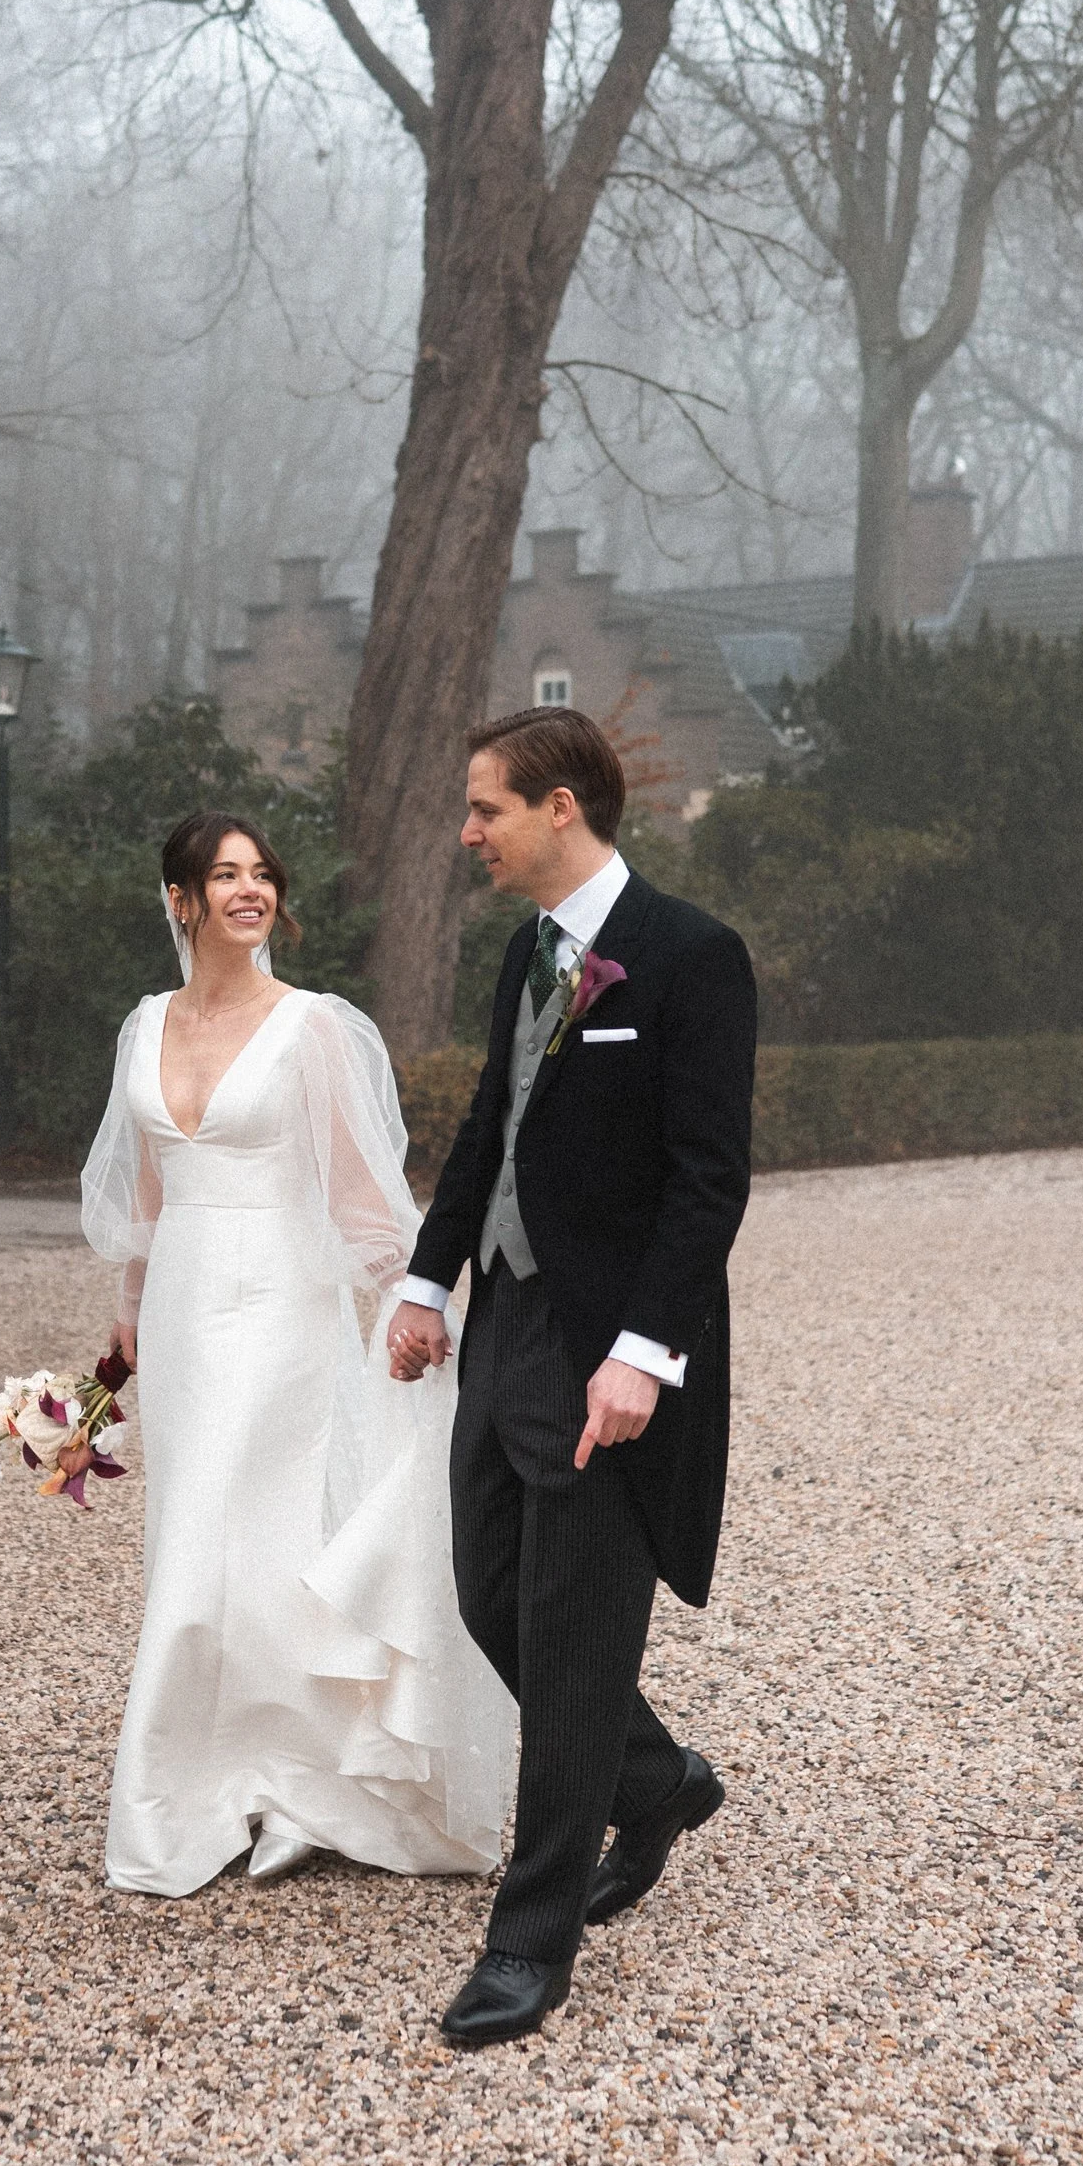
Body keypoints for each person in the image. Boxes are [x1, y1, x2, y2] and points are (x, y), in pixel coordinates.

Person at [386, 707, 756, 2047]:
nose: (468, 832)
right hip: (504, 1331)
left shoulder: (689, 957)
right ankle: (652, 1778)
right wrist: (429, 1282)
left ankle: (527, 1942)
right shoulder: (529, 950)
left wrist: (643, 1358)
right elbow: (493, 1121)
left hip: (606, 1355)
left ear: (558, 809)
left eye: (484, 808)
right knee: (492, 1596)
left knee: (580, 1629)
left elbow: (707, 1180)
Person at [81, 809, 514, 1898]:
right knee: (196, 1531)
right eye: (223, 875)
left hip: (280, 1306)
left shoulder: (312, 1025)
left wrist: (405, 1302)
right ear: (178, 899)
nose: (248, 889)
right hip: (182, 1307)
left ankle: (299, 1785)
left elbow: (359, 1189)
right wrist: (128, 1312)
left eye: (260, 873)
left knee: (262, 1537)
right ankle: (229, 1776)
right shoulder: (144, 1023)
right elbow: (143, 1184)